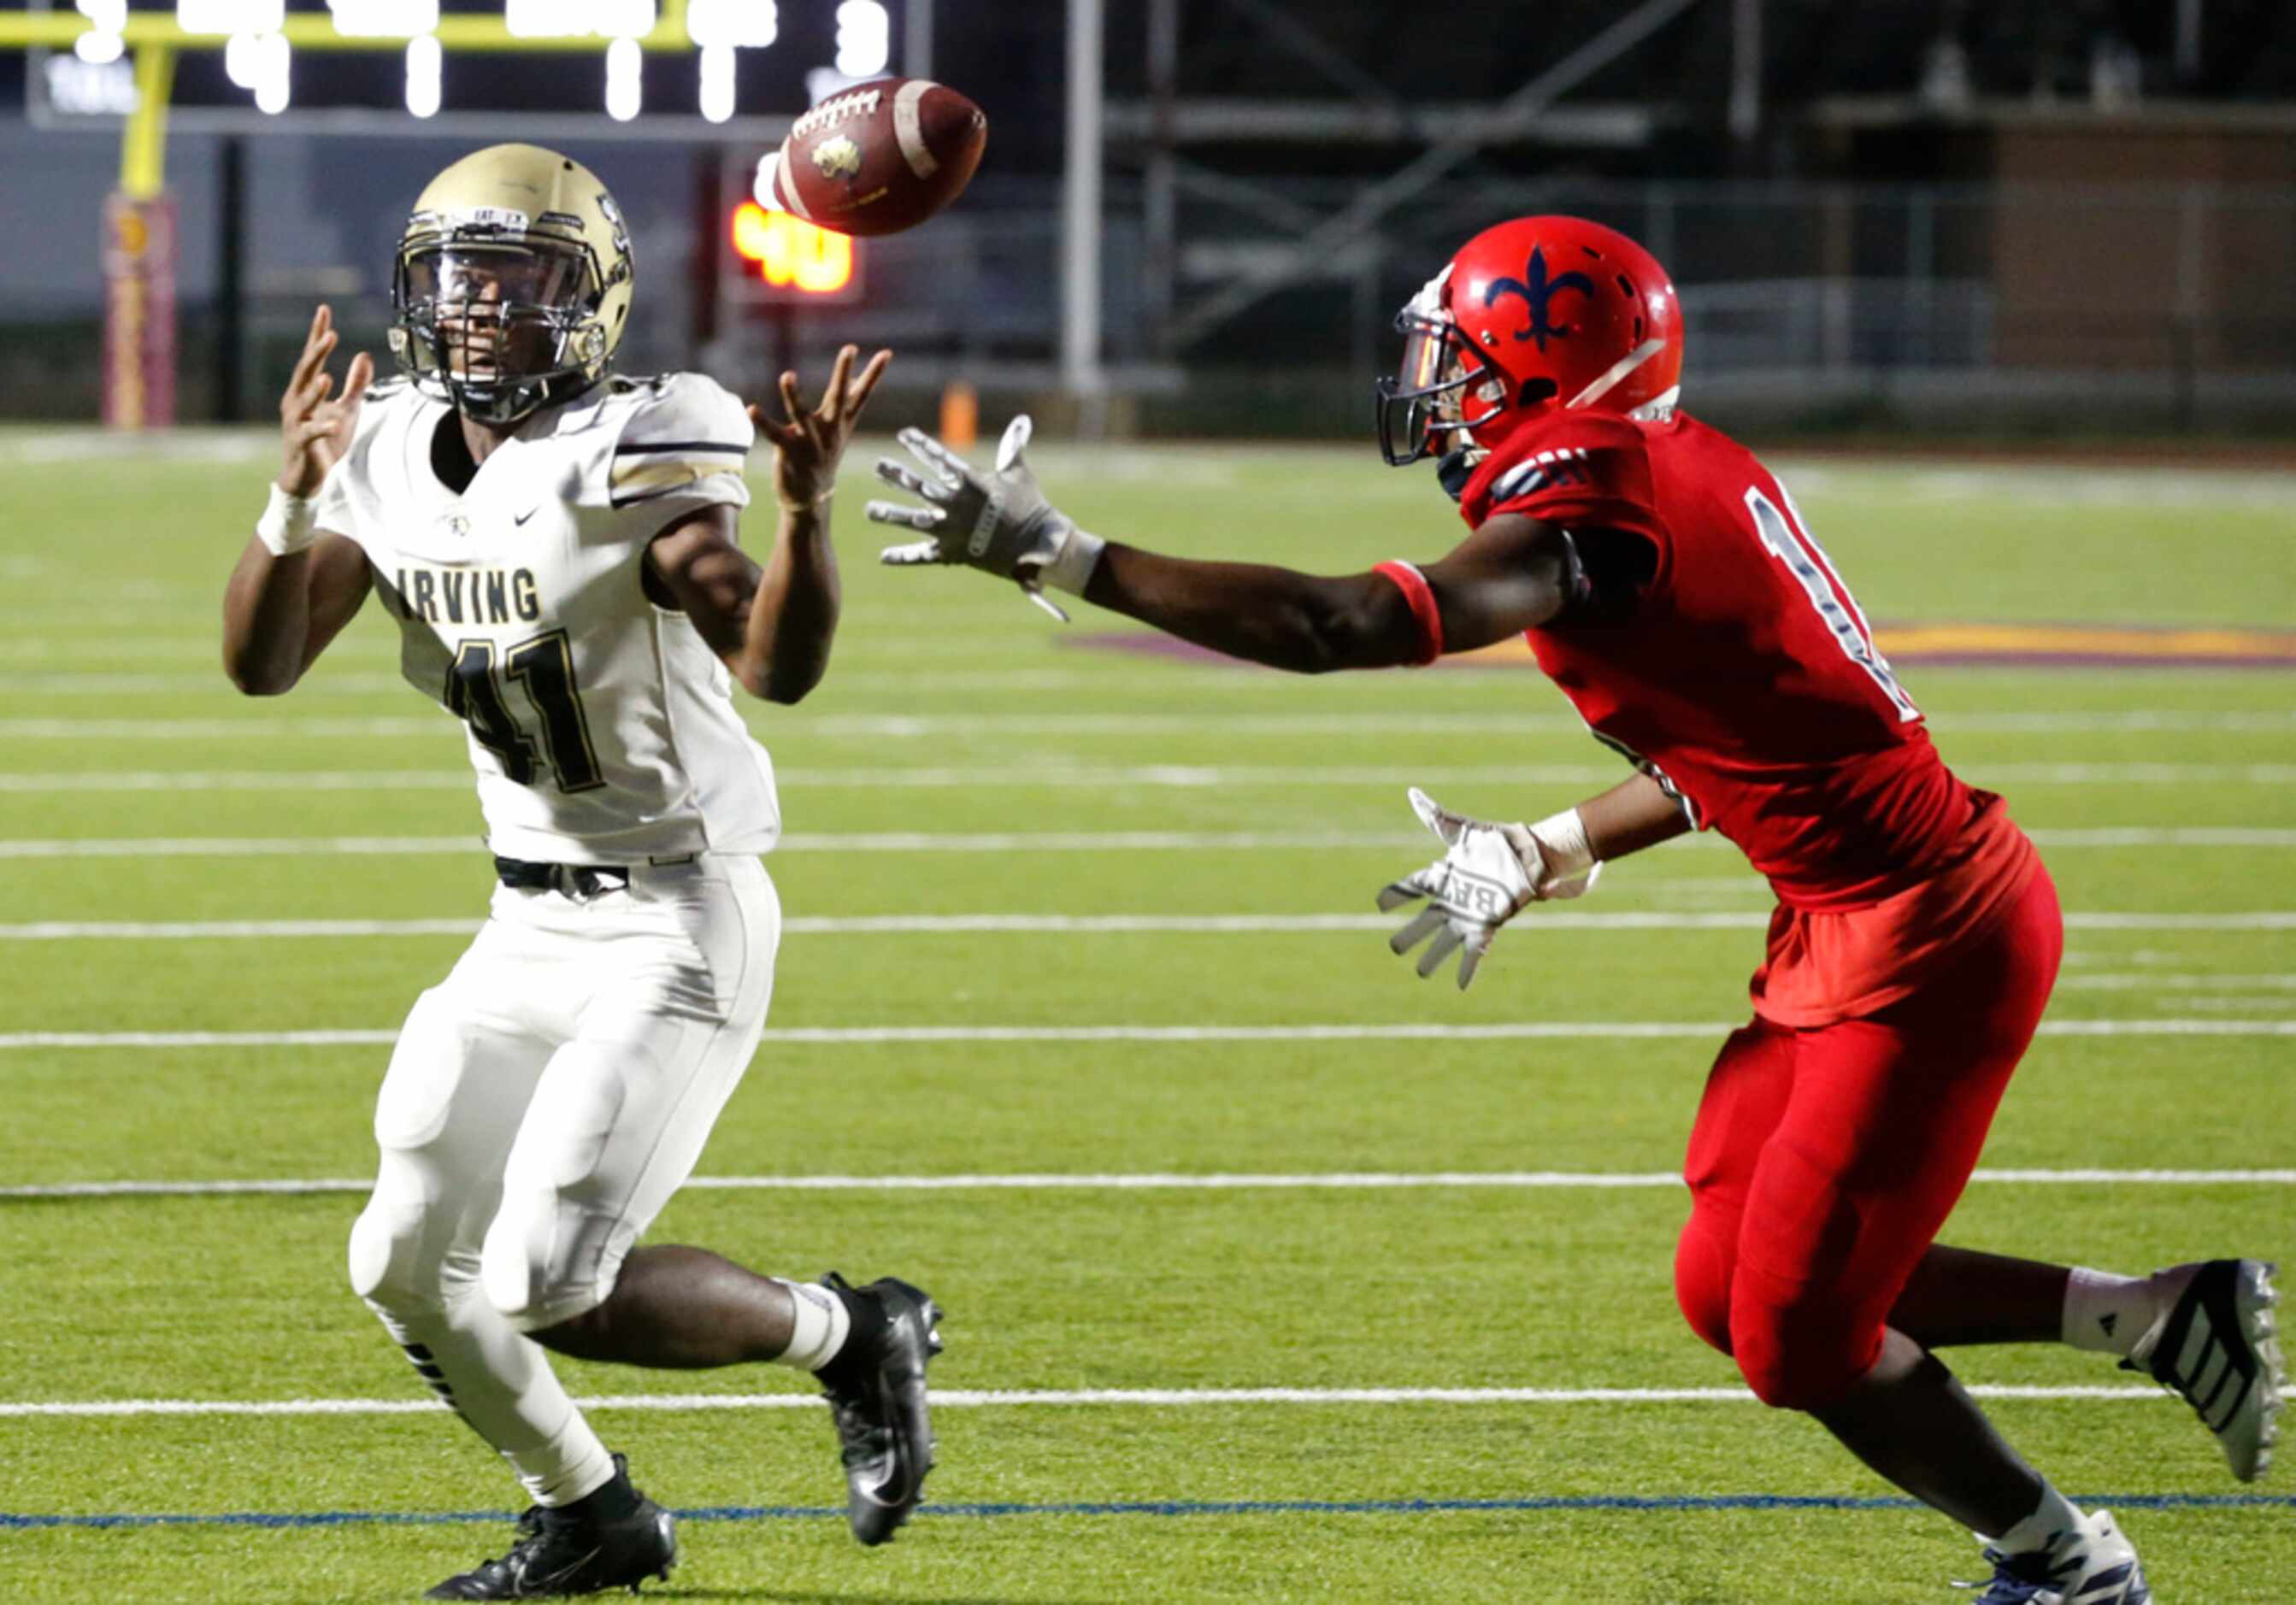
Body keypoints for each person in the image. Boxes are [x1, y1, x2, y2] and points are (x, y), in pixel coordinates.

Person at [863, 214, 2282, 1602]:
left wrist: (1068, 555)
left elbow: (1344, 625)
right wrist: (1551, 844)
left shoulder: (1592, 493)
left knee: (1796, 1337)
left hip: (1929, 934)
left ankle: (2064, 1561)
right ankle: (2154, 1314)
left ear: (1540, 365)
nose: (1432, 393)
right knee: (1725, 1285)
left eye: (1457, 359)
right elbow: (1746, 741)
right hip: (1848, 915)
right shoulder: (1680, 463)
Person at [221, 144, 942, 1600]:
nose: (484, 311)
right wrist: (290, 500)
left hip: (676, 914)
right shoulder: (385, 443)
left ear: (591, 296)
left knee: (549, 1280)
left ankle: (851, 1330)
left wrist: (802, 516)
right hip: (520, 915)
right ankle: (595, 1513)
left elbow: (770, 660)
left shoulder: (646, 432)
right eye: (458, 279)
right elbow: (264, 662)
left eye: (520, 278)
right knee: (401, 1263)